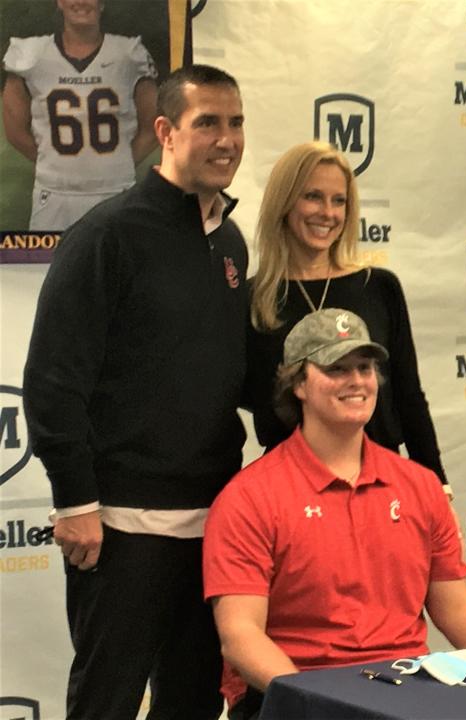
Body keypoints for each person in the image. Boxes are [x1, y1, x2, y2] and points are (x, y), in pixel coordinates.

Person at [23, 64, 246, 720]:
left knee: (192, 706)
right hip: (121, 529)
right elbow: (54, 379)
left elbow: (240, 377)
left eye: (236, 123)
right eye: (207, 122)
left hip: (214, 526)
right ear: (165, 131)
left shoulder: (231, 241)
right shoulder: (106, 236)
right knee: (105, 706)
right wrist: (76, 499)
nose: (227, 139)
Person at [204, 308, 466, 719]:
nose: (356, 381)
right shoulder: (250, 497)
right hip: (296, 693)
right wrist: (314, 705)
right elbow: (240, 636)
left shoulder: (419, 486)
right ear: (298, 384)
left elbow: (458, 611)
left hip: (406, 689)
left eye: (364, 367)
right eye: (336, 368)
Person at [246, 141, 449, 489]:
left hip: (381, 486)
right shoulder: (253, 299)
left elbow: (407, 395)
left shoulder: (379, 287)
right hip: (291, 493)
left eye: (338, 200)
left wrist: (438, 486)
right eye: (313, 196)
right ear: (284, 201)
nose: (328, 212)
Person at [2, 0, 158, 231]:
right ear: (60, 2)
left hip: (116, 191)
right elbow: (15, 131)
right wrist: (53, 163)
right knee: (49, 266)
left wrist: (119, 165)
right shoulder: (32, 54)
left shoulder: (129, 54)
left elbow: (153, 126)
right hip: (55, 195)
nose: (82, 2)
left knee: (116, 264)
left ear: (102, 3)